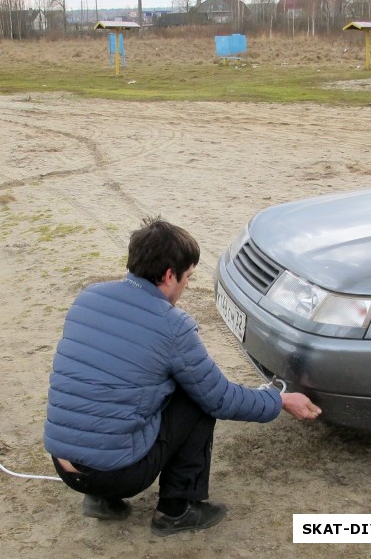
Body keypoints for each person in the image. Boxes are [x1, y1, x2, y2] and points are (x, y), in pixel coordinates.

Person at [43, 217, 321, 536]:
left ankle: (101, 501)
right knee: (195, 399)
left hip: (63, 462)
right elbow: (221, 399)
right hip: (115, 472)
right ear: (169, 275)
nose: (187, 285)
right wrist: (280, 400)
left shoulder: (89, 298)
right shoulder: (173, 326)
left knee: (111, 384)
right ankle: (177, 510)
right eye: (188, 277)